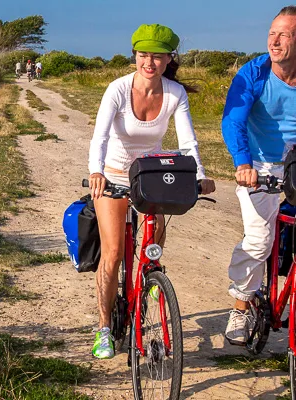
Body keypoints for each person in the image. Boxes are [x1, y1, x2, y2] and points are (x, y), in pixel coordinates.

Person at [87, 23, 216, 359]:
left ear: (168, 59)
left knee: (155, 236)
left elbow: (187, 140)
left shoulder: (174, 93)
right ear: (135, 57)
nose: (149, 62)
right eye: (143, 55)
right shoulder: (117, 89)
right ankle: (103, 328)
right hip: (114, 176)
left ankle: (150, 279)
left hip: (150, 176)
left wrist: (200, 174)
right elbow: (100, 137)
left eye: (157, 56)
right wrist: (96, 172)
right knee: (113, 253)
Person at [221, 6, 296, 346]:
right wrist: (242, 163)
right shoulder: (255, 72)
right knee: (259, 239)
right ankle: (240, 305)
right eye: (271, 33)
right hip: (260, 165)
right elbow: (233, 119)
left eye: (284, 34)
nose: (274, 41)